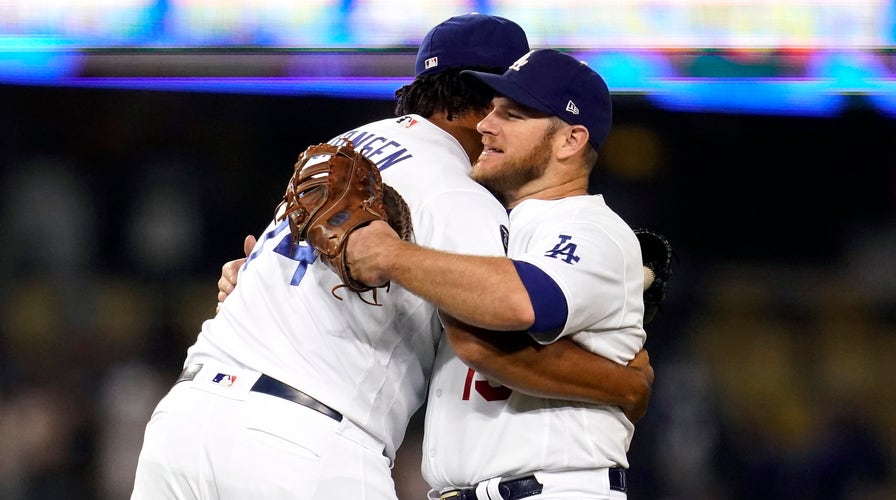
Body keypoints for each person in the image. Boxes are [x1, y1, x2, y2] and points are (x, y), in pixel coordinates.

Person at [133, 15, 651, 500]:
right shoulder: (454, 187)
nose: (494, 123)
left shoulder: (346, 146)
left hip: (183, 421)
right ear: (460, 106)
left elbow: (251, 279)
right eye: (495, 104)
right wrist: (622, 382)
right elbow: (485, 341)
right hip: (296, 439)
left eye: (512, 112)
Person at [344, 48, 644, 499]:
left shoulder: (587, 226)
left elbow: (526, 303)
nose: (485, 125)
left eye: (513, 115)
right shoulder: (484, 227)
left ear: (570, 141)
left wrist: (391, 254)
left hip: (555, 488)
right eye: (490, 111)